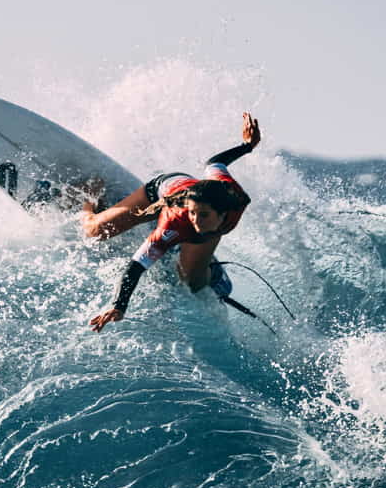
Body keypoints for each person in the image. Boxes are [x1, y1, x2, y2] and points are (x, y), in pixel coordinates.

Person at [83, 112, 261, 332]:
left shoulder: (235, 197)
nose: (195, 220)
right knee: (95, 231)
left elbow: (216, 163)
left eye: (203, 215)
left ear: (223, 213)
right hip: (161, 191)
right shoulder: (176, 220)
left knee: (193, 283)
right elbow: (136, 265)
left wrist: (247, 146)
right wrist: (119, 305)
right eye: (193, 214)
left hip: (201, 207)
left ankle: (210, 271)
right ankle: (87, 197)